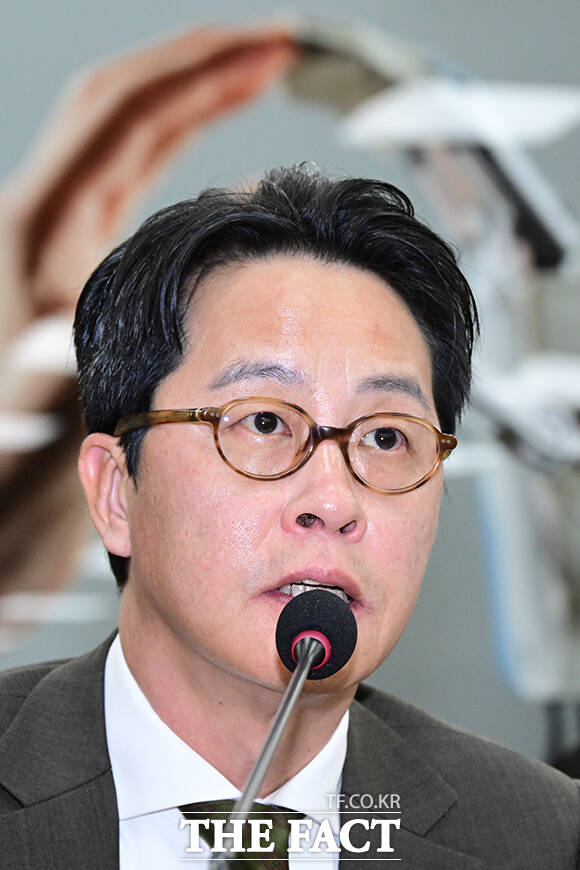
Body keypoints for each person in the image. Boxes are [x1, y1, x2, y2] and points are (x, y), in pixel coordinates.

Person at [0, 164, 579, 869]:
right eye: (266, 422)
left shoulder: (545, 840)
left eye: (386, 437)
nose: (333, 502)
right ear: (116, 491)